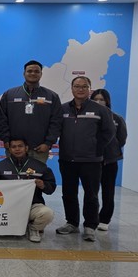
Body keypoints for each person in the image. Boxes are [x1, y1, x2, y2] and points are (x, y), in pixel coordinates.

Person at [55, 76, 116, 242]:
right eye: (77, 86)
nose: (80, 89)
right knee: (68, 193)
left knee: (91, 195)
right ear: (72, 89)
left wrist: (96, 147)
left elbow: (109, 132)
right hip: (67, 159)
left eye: (84, 86)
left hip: (91, 160)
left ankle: (90, 226)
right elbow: (56, 129)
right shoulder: (62, 109)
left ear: (89, 89)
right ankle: (72, 223)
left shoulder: (101, 110)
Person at [0, 137, 56, 243]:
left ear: (26, 148)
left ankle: (33, 228)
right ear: (9, 149)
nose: (17, 149)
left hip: (32, 205)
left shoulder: (40, 166)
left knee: (47, 213)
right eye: (14, 147)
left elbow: (51, 189)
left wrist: (42, 185)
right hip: (7, 207)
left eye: (20, 146)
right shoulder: (0, 166)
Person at [0, 60, 62, 164]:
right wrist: (6, 140)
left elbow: (56, 122)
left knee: (37, 175)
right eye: (29, 71)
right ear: (24, 73)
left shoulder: (51, 96)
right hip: (15, 148)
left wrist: (48, 143)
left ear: (41, 74)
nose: (33, 73)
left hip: (39, 149)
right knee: (14, 174)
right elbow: (2, 119)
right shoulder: (9, 95)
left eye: (36, 71)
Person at [90, 88, 127, 232]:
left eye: (101, 99)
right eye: (95, 99)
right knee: (92, 192)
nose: (98, 102)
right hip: (92, 160)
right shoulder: (89, 117)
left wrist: (112, 149)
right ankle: (92, 218)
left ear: (107, 102)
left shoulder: (116, 118)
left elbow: (121, 138)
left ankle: (105, 219)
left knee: (108, 191)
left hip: (109, 161)